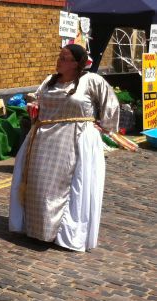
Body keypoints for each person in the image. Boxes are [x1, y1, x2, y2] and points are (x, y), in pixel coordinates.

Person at [9, 44, 120, 252]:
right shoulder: (49, 81)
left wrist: (103, 126)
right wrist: (33, 106)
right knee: (39, 185)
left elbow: (110, 103)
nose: (59, 61)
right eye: (59, 56)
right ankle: (37, 230)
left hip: (73, 139)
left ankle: (60, 234)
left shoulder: (91, 81)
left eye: (64, 58)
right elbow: (37, 99)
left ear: (76, 63)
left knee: (67, 187)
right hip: (43, 139)